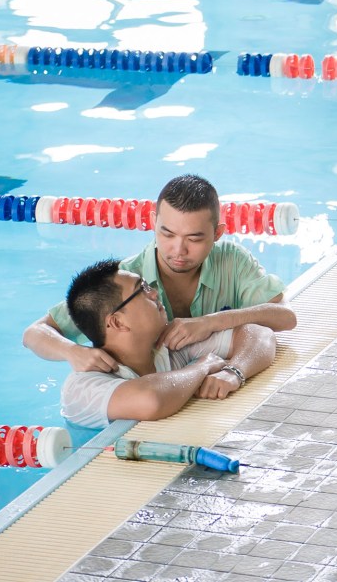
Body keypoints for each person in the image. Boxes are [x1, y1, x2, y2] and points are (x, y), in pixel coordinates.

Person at [23, 174, 296, 373]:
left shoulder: (232, 260)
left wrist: (211, 322)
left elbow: (285, 317)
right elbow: (34, 333)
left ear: (217, 234)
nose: (178, 249)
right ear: (154, 223)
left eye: (195, 239)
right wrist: (72, 352)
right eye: (167, 233)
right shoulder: (126, 280)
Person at [59, 259, 275, 428]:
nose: (154, 292)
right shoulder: (81, 386)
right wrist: (203, 366)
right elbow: (151, 399)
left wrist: (234, 372)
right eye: (141, 289)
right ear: (117, 322)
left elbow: (259, 334)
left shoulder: (167, 346)